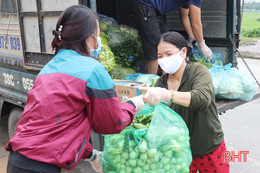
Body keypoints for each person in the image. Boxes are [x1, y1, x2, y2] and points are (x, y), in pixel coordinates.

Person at [5, 5, 144, 173]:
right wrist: (133, 105)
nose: (98, 39)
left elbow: (58, 124)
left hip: (17, 161)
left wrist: (91, 155)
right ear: (88, 38)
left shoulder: (50, 67)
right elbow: (111, 124)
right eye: (98, 34)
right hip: (41, 167)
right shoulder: (93, 69)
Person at [141, 31, 229, 172]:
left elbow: (202, 99)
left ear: (183, 52)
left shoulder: (198, 71)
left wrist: (168, 94)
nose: (164, 60)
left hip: (209, 146)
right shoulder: (161, 82)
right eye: (159, 56)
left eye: (169, 54)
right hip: (179, 151)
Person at [130, 0, 212, 74]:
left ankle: (165, 81)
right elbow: (195, 24)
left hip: (155, 10)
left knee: (167, 43)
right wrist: (202, 44)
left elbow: (184, 17)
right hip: (145, 4)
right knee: (155, 48)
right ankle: (152, 84)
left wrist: (191, 36)